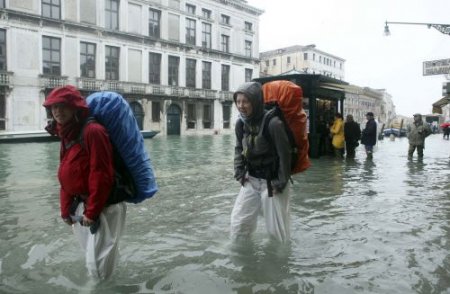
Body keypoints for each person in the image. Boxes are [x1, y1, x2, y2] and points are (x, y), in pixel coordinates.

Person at [43, 85, 127, 280]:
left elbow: (102, 173)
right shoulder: (66, 134)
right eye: (53, 107)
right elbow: (65, 174)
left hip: (104, 207)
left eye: (63, 106)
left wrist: (92, 211)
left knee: (96, 266)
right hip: (81, 206)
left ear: (75, 107)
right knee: (96, 259)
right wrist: (65, 210)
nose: (57, 111)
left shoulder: (93, 131)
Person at [230, 81, 292, 243]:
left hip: (272, 183)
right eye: (238, 101)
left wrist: (279, 183)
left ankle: (280, 262)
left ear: (256, 101)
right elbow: (238, 148)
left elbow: (285, 155)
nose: (241, 106)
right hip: (250, 179)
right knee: (239, 224)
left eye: (245, 101)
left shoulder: (274, 124)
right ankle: (242, 257)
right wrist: (239, 171)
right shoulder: (241, 123)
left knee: (276, 232)